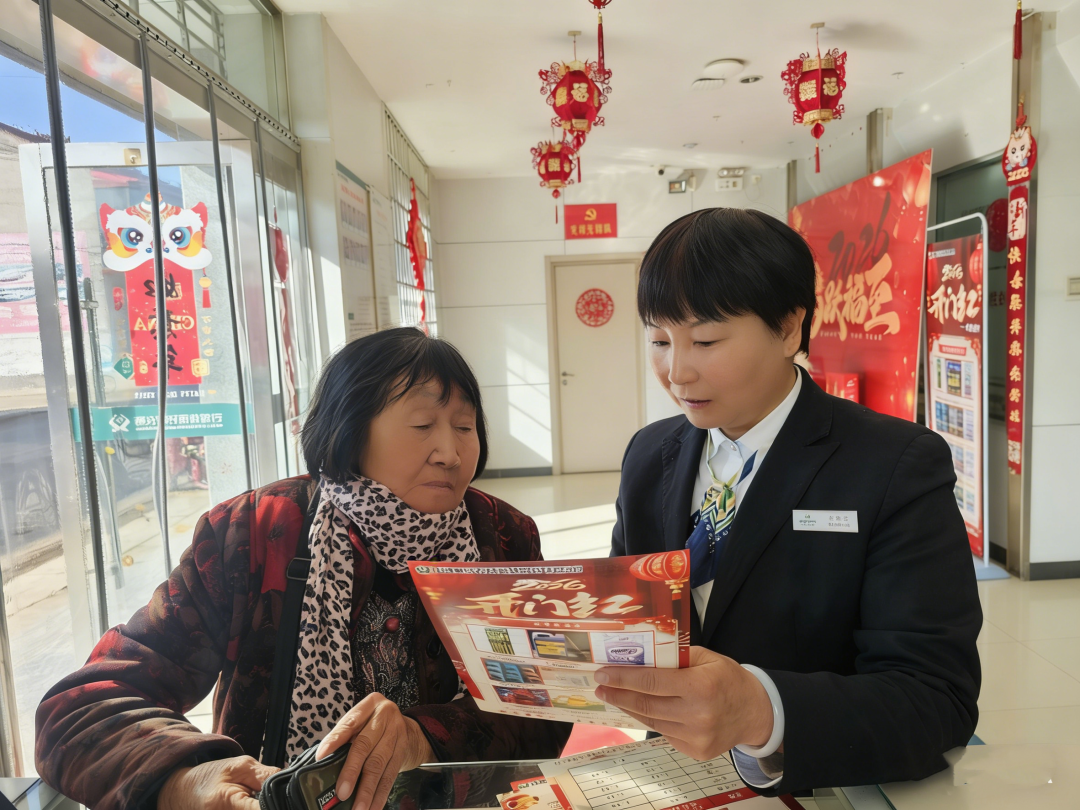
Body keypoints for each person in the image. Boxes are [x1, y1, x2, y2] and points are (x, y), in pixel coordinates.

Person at [36, 327, 571, 810]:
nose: (450, 453)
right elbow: (83, 709)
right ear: (351, 430)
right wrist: (184, 778)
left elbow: (546, 704)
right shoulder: (251, 534)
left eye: (464, 426)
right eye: (423, 424)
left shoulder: (502, 536)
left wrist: (424, 736)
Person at [595, 208, 981, 795]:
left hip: (829, 786)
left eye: (705, 340)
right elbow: (632, 617)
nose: (676, 372)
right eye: (659, 340)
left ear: (789, 329)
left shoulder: (894, 465)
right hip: (678, 779)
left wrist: (759, 711)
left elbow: (936, 698)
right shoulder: (649, 455)